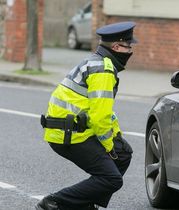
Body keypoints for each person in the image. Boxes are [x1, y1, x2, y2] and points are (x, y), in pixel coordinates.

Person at [36, 21, 137, 210]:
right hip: (70, 135)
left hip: (68, 129)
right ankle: (54, 202)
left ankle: (88, 204)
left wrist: (116, 138)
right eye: (128, 47)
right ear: (116, 47)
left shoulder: (95, 61)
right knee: (112, 179)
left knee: (123, 154)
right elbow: (100, 117)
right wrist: (109, 146)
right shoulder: (103, 70)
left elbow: (102, 111)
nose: (130, 51)